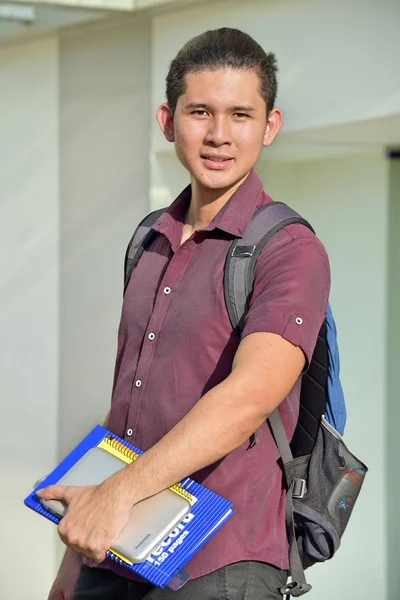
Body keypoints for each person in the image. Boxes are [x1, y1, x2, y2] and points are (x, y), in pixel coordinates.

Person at [39, 27, 330, 600]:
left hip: (218, 566)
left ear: (269, 126)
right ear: (168, 120)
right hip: (117, 554)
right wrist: (74, 560)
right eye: (201, 112)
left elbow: (249, 397)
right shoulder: (149, 238)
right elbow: (129, 408)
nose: (220, 135)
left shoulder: (289, 249)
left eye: (241, 115)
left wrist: (119, 492)